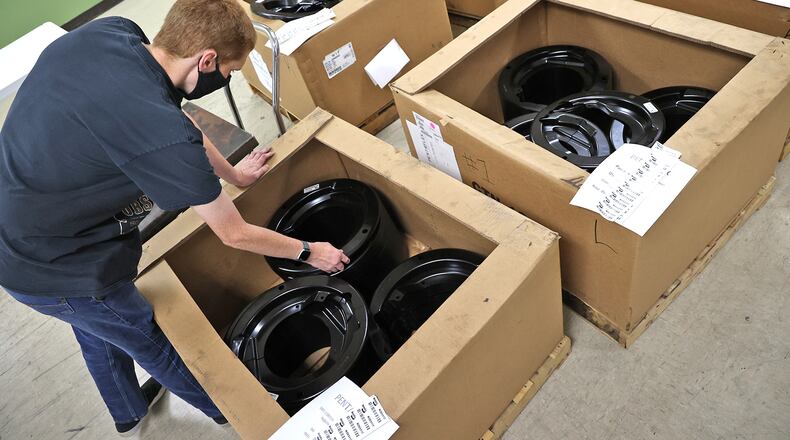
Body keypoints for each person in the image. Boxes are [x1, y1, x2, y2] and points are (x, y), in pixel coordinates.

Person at [0, 0, 348, 436]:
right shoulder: (162, 136)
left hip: (20, 210)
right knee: (148, 338)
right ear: (206, 60)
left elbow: (173, 118)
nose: (228, 80)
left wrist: (234, 174)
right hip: (48, 261)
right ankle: (236, 412)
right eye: (230, 72)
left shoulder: (112, 34)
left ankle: (127, 412)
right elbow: (233, 233)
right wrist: (309, 251)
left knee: (95, 325)